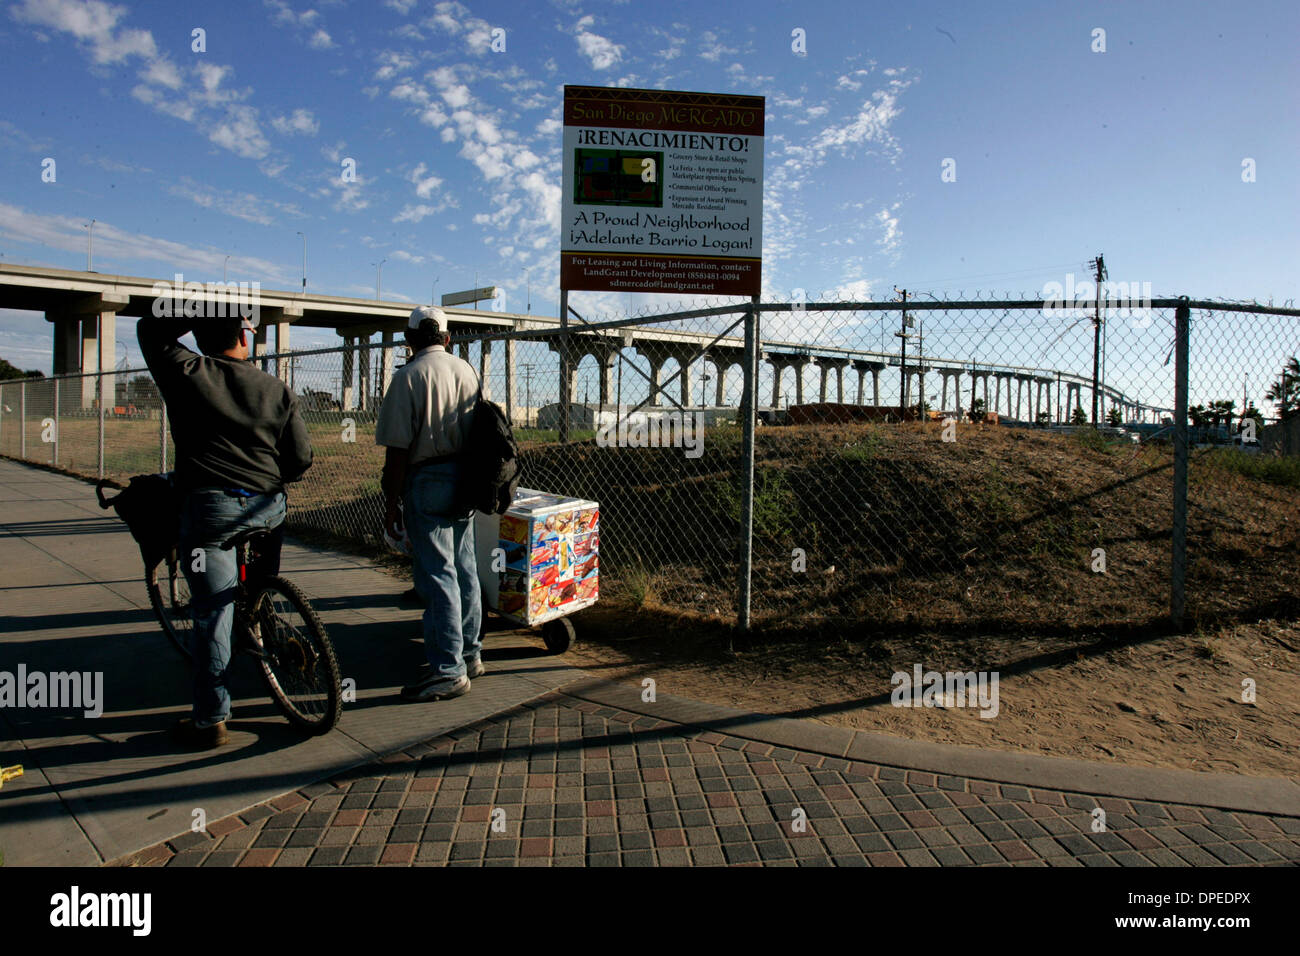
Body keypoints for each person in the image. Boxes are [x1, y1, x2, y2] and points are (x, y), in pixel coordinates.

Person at [138, 316, 313, 748]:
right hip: (267, 506)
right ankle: (261, 620)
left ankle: (211, 719)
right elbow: (300, 459)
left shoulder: (187, 372)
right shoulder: (277, 389)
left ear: (199, 336)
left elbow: (150, 329)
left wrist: (202, 310)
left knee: (214, 613)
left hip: (211, 510)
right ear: (243, 335)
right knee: (256, 586)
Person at [375, 306, 483, 701]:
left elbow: (398, 451)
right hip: (466, 479)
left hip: (427, 479)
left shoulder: (406, 378)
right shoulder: (467, 371)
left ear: (410, 340)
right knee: (464, 568)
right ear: (448, 338)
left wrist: (391, 503)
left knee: (438, 575)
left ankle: (447, 670)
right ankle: (470, 654)